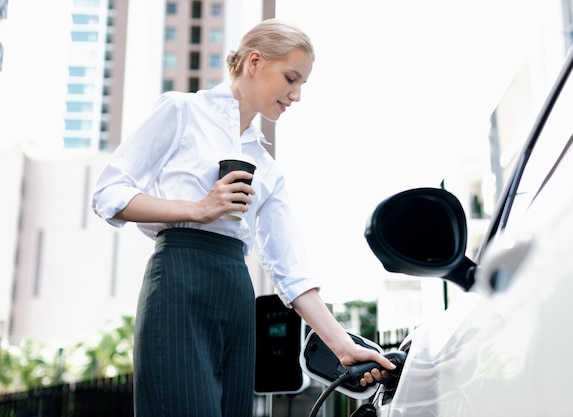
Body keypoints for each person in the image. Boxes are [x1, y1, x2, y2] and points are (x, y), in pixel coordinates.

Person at [91, 18, 394, 417]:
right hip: (179, 282)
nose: (297, 95)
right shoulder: (181, 111)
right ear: (254, 62)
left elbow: (292, 272)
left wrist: (342, 346)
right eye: (291, 78)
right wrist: (198, 209)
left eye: (302, 84)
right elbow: (108, 193)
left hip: (236, 294)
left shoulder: (267, 168)